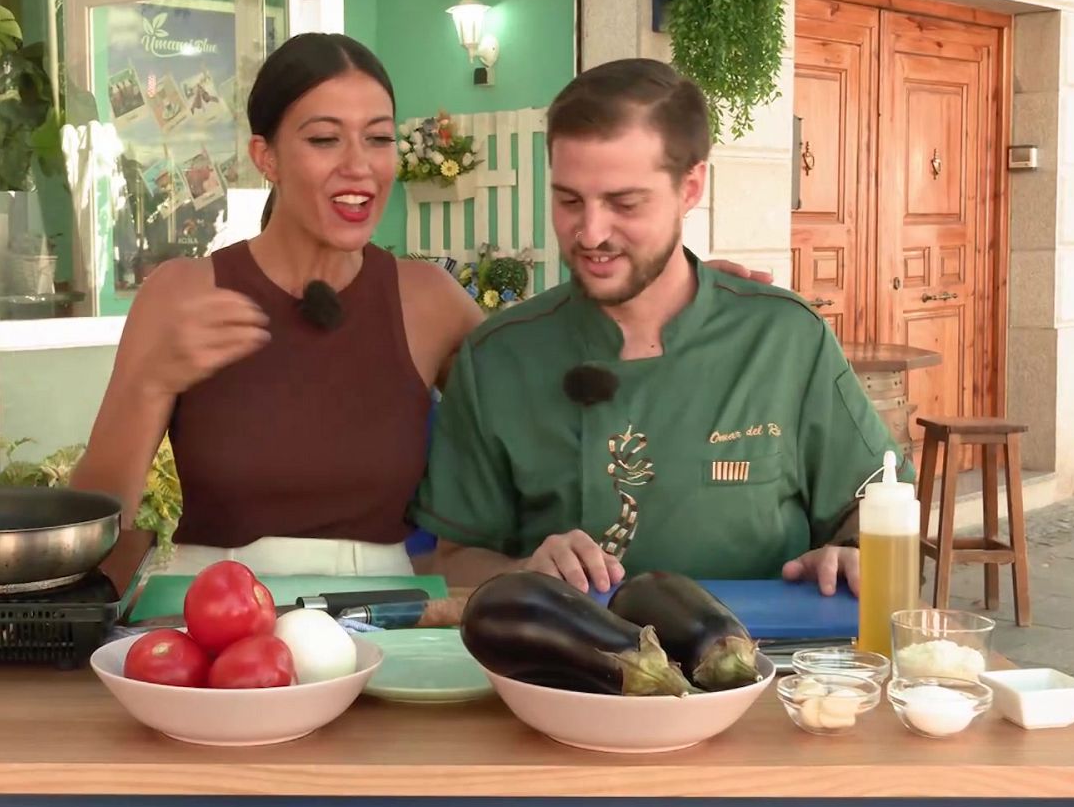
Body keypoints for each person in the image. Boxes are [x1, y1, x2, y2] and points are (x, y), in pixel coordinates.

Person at [73, 35, 771, 591]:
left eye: (378, 138)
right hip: (217, 615)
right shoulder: (182, 291)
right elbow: (95, 521)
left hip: (388, 620)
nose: (360, 166)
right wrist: (151, 382)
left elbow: (554, 371)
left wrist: (686, 291)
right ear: (267, 157)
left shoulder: (427, 300)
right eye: (324, 140)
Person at [411, 58, 909, 598]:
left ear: (690, 187)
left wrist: (851, 554)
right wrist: (522, 571)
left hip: (768, 662)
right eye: (569, 200)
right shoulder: (499, 358)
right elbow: (453, 560)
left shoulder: (785, 339)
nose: (591, 232)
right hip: (562, 670)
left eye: (624, 202)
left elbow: (878, 501)